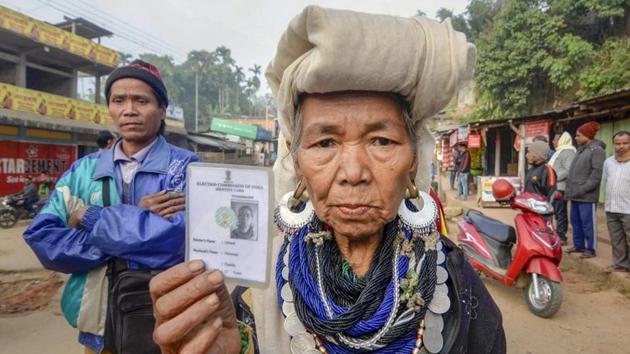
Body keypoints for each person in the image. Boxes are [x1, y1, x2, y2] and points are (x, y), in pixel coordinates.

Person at [148, 7, 505, 354]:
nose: (353, 173)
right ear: (296, 159)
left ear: (413, 160)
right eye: (325, 143)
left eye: (381, 141)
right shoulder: (258, 288)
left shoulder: (456, 285)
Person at [23, 59, 200, 353]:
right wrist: (134, 223)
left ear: (162, 109)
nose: (129, 110)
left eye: (141, 100)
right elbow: (43, 238)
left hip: (164, 321)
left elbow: (177, 240)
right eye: (119, 100)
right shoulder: (83, 171)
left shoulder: (184, 168)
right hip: (96, 328)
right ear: (110, 107)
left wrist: (92, 218)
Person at [565, 121, 606, 258]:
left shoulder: (597, 151)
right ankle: (578, 245)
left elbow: (596, 176)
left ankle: (591, 249)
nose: (575, 138)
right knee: (575, 222)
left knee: (588, 224)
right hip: (576, 194)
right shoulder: (581, 150)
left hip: (587, 196)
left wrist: (582, 189)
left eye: (578, 135)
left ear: (587, 136)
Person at [602, 131, 630, 273]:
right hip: (611, 208)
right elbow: (607, 181)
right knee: (616, 239)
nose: (621, 146)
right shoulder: (608, 162)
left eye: (625, 143)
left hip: (628, 208)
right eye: (618, 143)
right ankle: (620, 264)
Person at [549, 132, 576, 245]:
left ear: (562, 140)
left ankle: (562, 236)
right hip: (555, 186)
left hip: (561, 187)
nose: (554, 142)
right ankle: (556, 234)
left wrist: (554, 177)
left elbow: (568, 170)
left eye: (556, 140)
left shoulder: (568, 152)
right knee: (556, 211)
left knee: (560, 212)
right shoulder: (559, 152)